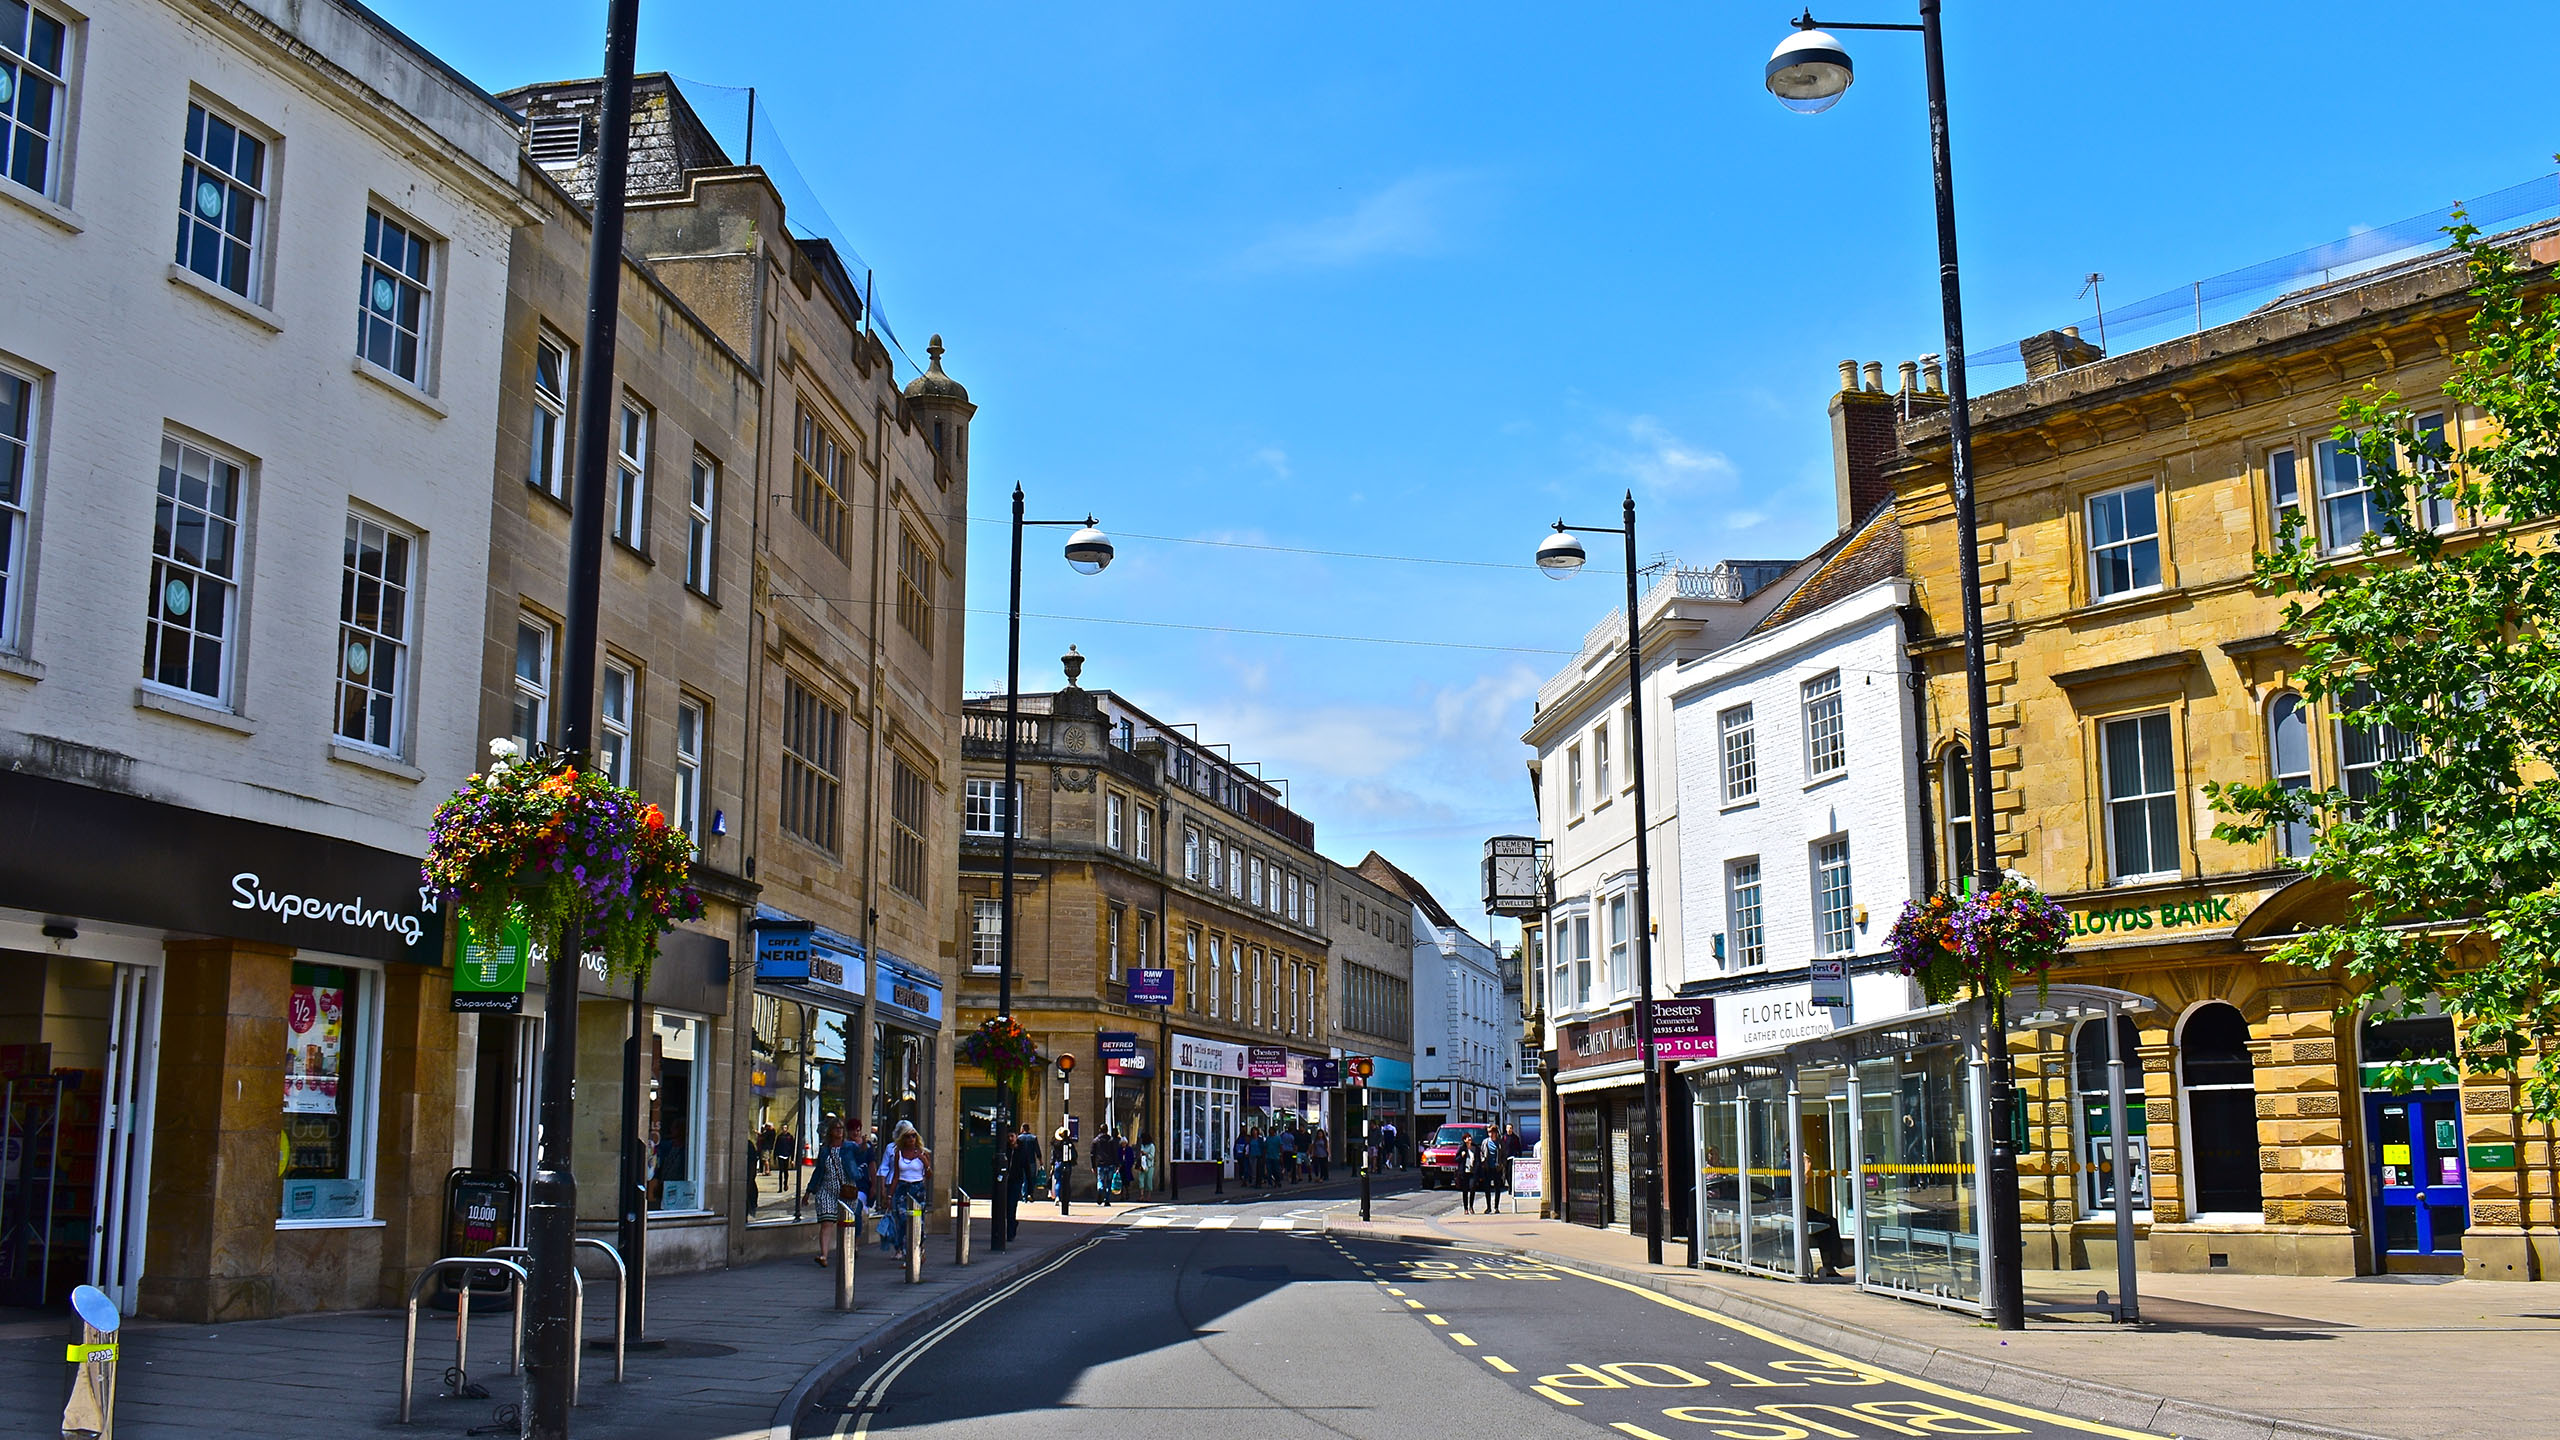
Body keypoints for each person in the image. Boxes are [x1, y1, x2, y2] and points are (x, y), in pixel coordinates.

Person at [875, 1120, 933, 1258]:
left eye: (913, 1136)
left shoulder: (923, 1153)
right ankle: (902, 1249)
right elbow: (896, 1176)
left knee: (918, 1219)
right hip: (902, 1188)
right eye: (907, 1136)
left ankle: (918, 1247)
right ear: (903, 1138)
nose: (911, 1139)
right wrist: (889, 1195)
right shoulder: (898, 1153)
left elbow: (929, 1175)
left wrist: (925, 1163)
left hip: (917, 1188)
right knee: (902, 1219)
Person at [809, 1117, 855, 1265]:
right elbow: (818, 1171)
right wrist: (809, 1190)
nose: (839, 1131)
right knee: (827, 1222)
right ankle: (824, 1255)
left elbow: (862, 1159)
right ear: (830, 1131)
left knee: (846, 1224)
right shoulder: (825, 1151)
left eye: (841, 1128)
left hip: (846, 1190)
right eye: (836, 1128)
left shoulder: (849, 1147)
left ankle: (847, 1252)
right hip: (827, 1189)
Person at [1051, 1125, 1077, 1215]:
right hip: (1067, 1164)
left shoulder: (1055, 1144)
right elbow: (1074, 1154)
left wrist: (1052, 1165)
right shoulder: (1069, 1143)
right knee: (1067, 1181)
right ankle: (1066, 1199)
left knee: (1058, 1181)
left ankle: (1058, 1197)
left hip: (1058, 1163)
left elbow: (1053, 1155)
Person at [1457, 1133, 1484, 1213]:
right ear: (1464, 1140)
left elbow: (1479, 1161)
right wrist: (1461, 1156)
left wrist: (1479, 1173)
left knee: (1472, 1188)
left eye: (1470, 1137)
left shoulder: (1475, 1148)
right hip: (1464, 1172)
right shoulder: (1462, 1148)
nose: (1469, 1138)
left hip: (1473, 1172)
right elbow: (1456, 1159)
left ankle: (1471, 1206)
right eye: (1467, 1138)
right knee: (1465, 1190)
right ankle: (1465, 1208)